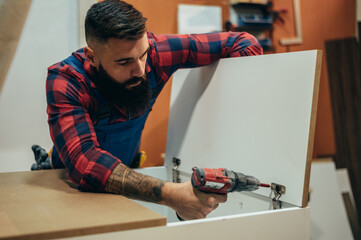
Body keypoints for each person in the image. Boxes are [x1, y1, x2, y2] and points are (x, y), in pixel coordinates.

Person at [44, 0, 263, 220]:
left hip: (127, 175)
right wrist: (170, 194)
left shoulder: (158, 53)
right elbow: (85, 162)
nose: (140, 70)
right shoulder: (67, 81)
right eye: (124, 62)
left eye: (142, 54)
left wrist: (238, 108)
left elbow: (244, 43)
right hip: (66, 182)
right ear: (92, 57)